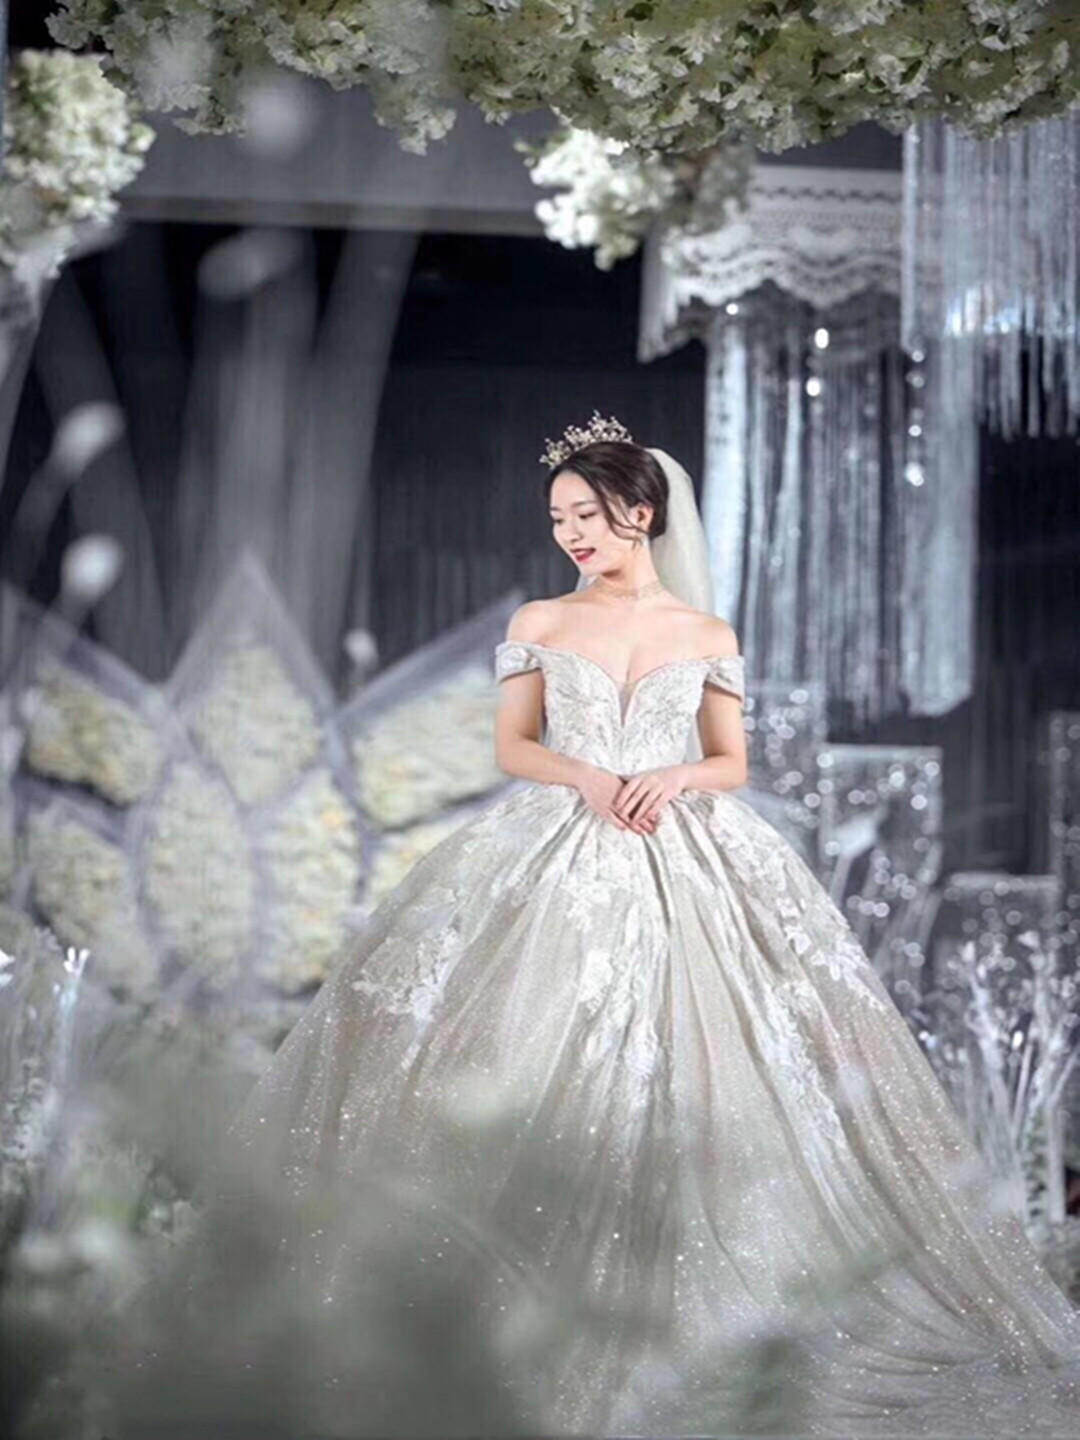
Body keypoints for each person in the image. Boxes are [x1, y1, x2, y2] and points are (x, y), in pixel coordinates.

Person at [151, 415, 1080, 1438]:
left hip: (685, 850)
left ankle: (684, 1286)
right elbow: (514, 745)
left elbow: (731, 763)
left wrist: (674, 776)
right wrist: (588, 776)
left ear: (640, 513)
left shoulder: (705, 635)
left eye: (586, 516)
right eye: (559, 519)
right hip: (562, 842)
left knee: (716, 1051)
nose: (571, 535)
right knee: (525, 1037)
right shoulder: (544, 620)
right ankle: (501, 1291)